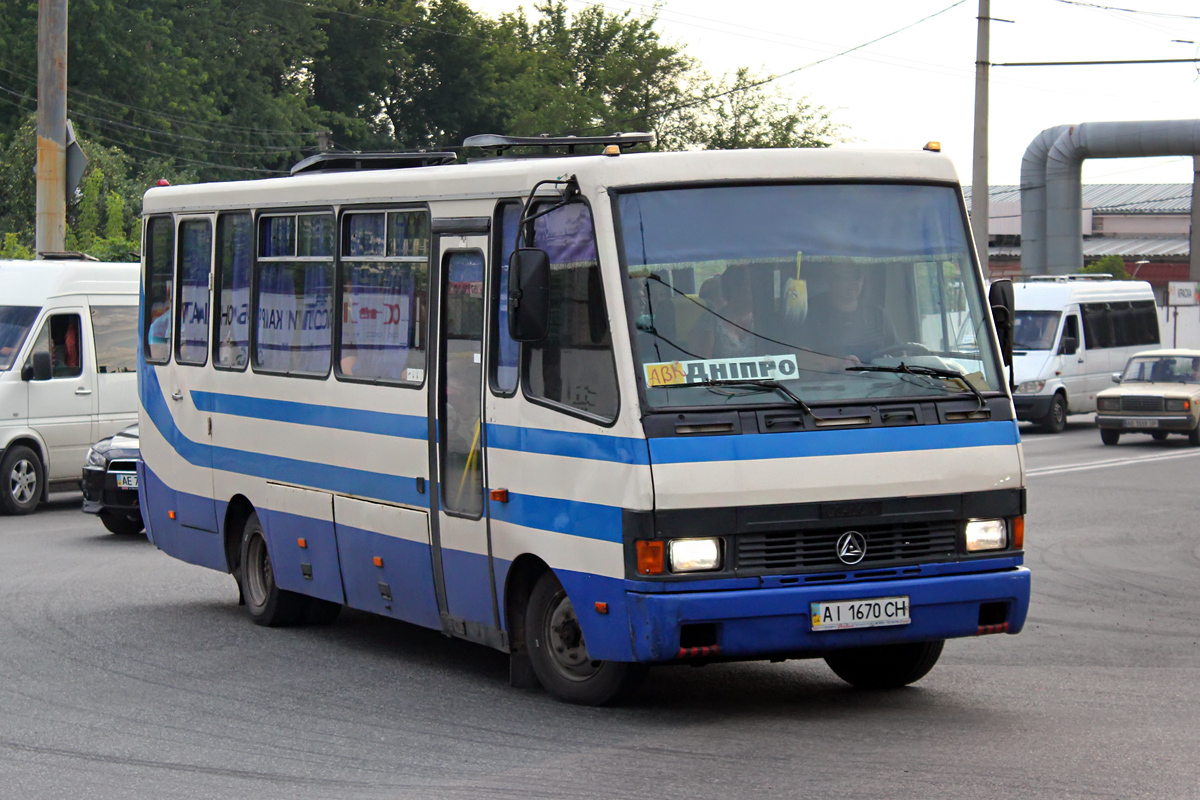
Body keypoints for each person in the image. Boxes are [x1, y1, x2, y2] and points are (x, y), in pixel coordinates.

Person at [800, 263, 897, 362]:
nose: (854, 282)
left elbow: (898, 354)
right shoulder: (811, 314)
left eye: (857, 276)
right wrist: (836, 364)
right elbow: (801, 357)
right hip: (831, 377)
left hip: (878, 377)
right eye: (846, 277)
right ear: (830, 279)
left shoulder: (878, 316)